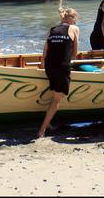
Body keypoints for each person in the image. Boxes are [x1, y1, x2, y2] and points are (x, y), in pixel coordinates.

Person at [38, 7, 79, 138]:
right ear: (71, 19)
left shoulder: (51, 29)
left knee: (53, 96)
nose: (76, 22)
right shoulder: (74, 29)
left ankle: (48, 123)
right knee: (56, 101)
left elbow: (45, 53)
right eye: (75, 19)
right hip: (62, 67)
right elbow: (74, 54)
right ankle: (42, 130)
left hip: (49, 67)